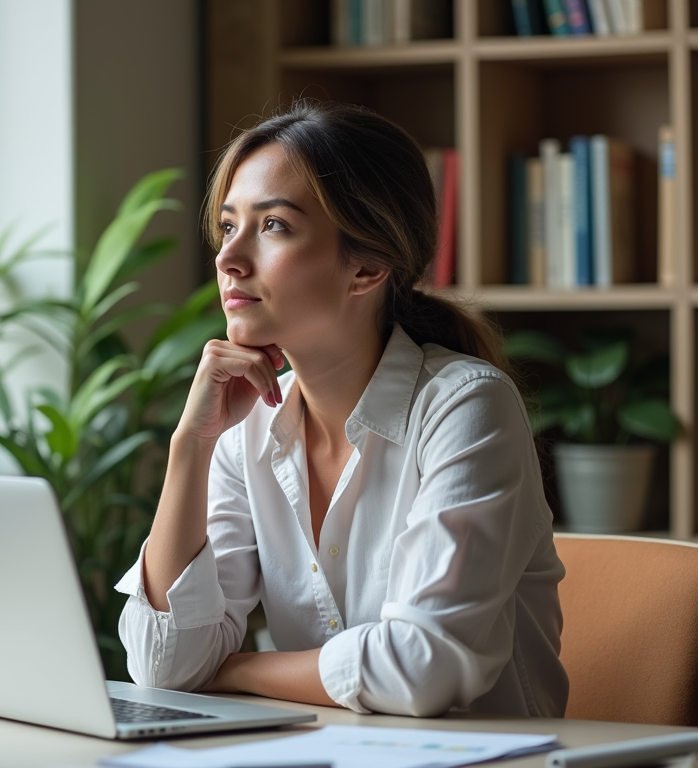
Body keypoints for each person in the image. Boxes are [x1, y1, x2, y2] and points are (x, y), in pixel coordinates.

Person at [114, 100, 568, 718]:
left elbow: (422, 667)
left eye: (272, 225)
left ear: (368, 265)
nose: (228, 259)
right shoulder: (244, 428)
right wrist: (188, 447)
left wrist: (238, 669)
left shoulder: (465, 407)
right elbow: (163, 666)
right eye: (228, 226)